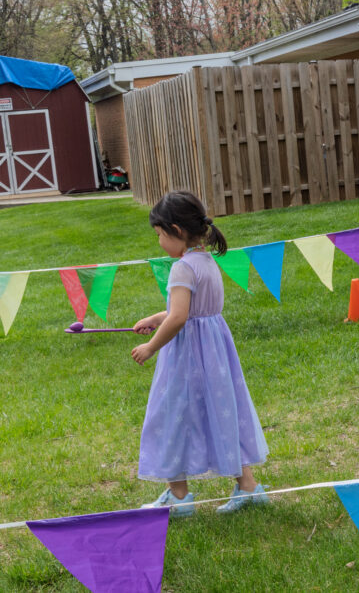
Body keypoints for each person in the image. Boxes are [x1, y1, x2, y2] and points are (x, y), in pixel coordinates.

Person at [132, 191, 270, 515]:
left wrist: (152, 346)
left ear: (176, 231)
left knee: (171, 418)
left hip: (186, 359)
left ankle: (178, 499)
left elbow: (180, 317)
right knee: (223, 414)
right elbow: (193, 311)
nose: (159, 242)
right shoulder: (207, 262)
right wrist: (156, 318)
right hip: (215, 357)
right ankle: (248, 487)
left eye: (160, 235)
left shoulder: (182, 269)